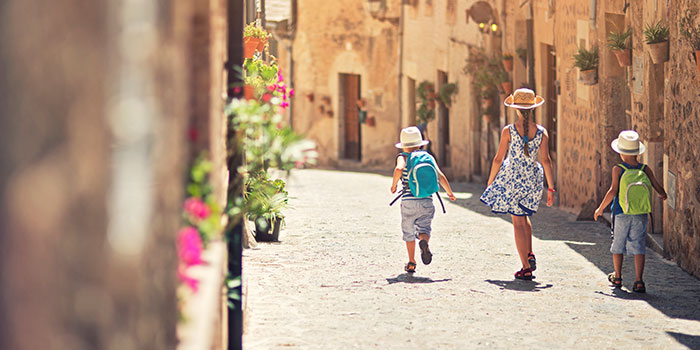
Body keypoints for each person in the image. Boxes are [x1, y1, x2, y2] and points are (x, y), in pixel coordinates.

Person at [480, 88, 555, 280]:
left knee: (517, 222)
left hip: (513, 179)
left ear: (516, 109)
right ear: (533, 108)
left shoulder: (509, 131)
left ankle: (525, 267)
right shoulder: (542, 132)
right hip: (533, 179)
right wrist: (551, 188)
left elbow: (498, 159)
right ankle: (529, 254)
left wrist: (491, 181)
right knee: (525, 216)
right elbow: (546, 160)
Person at [594, 130, 667, 293]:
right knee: (639, 245)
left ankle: (618, 276)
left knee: (618, 244)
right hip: (640, 213)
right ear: (637, 152)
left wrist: (600, 208)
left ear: (621, 152)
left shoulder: (618, 169)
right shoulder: (645, 168)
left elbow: (613, 191)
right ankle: (639, 280)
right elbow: (656, 186)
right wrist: (662, 193)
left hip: (621, 213)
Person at [390, 126, 456, 273]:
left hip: (408, 201)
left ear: (403, 145)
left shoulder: (403, 157)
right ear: (420, 144)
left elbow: (399, 170)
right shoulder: (428, 157)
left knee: (408, 231)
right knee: (424, 228)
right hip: (427, 200)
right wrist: (449, 192)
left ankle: (412, 262)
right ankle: (424, 241)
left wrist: (394, 185)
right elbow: (440, 175)